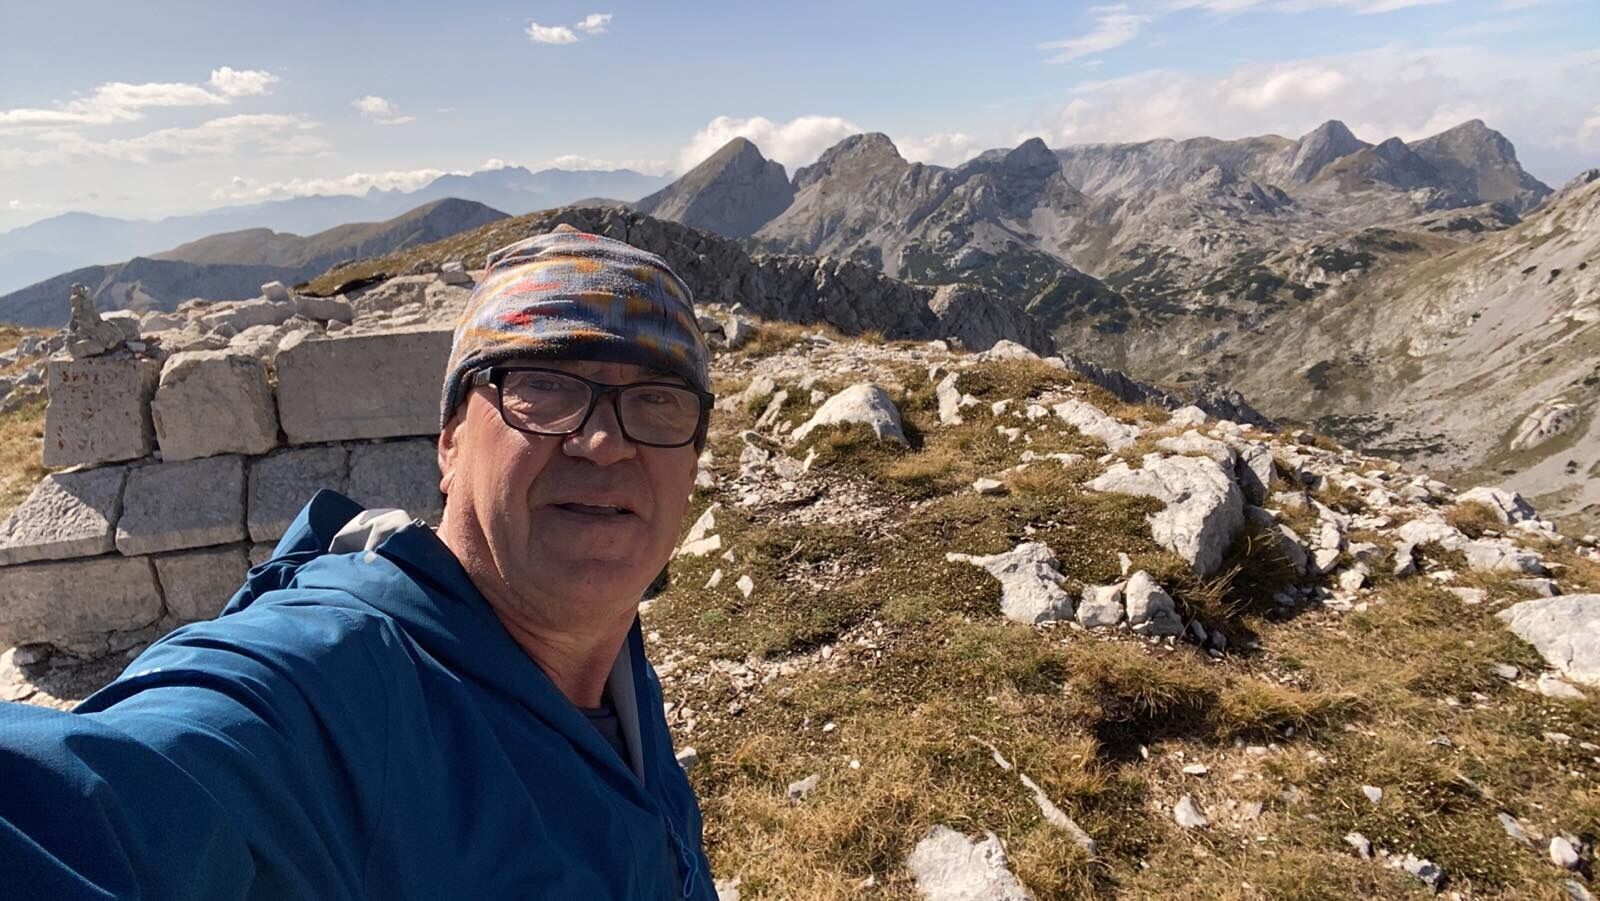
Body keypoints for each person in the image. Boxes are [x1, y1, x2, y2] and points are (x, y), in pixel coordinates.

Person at [0, 225, 719, 900]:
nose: (604, 442)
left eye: (657, 400)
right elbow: (114, 799)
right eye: (546, 385)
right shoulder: (331, 686)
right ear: (450, 441)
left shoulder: (607, 658)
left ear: (691, 462)